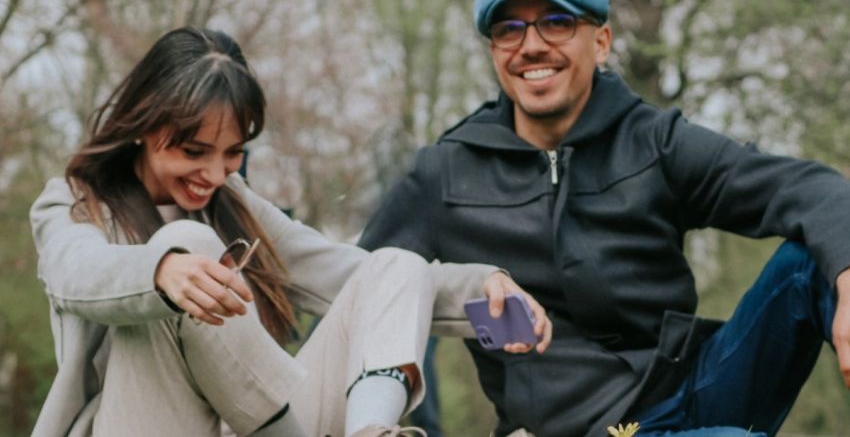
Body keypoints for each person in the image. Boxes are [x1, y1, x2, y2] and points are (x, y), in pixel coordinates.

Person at [359, 0, 850, 437]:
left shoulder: (657, 143)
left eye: (556, 22)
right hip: (580, 428)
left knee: (813, 261)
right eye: (509, 29)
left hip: (698, 390)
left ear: (601, 42)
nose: (530, 45)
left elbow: (811, 190)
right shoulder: (444, 174)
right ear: (494, 52)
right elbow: (363, 296)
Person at [29, 26, 552, 437]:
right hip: (146, 425)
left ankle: (372, 429)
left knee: (397, 261)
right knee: (187, 247)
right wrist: (163, 271)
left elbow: (353, 276)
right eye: (194, 152)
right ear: (145, 126)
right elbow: (75, 273)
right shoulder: (76, 202)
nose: (213, 175)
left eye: (232, 153)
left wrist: (487, 294)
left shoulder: (231, 204)